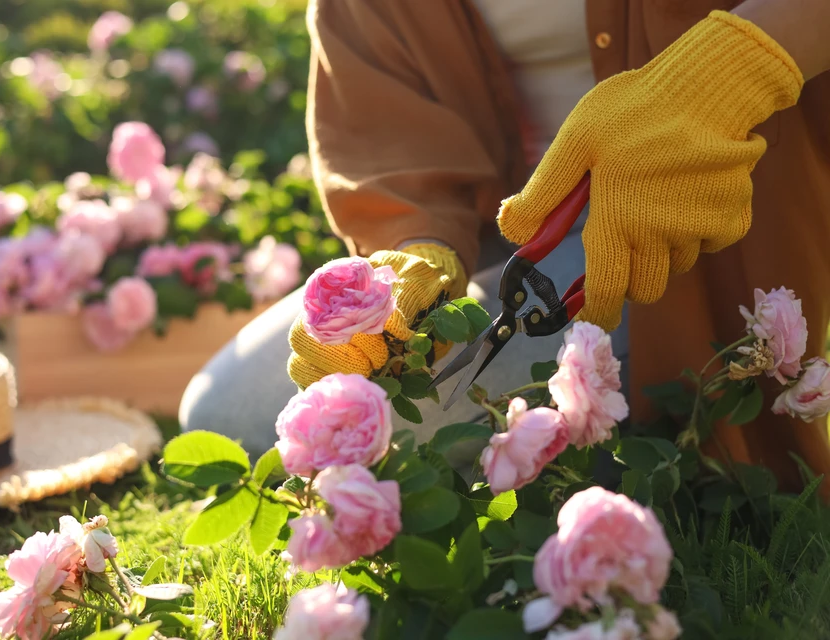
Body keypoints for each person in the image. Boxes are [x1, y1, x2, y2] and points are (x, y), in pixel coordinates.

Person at [180, 0, 830, 492]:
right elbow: (383, 114)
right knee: (224, 413)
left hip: (690, 216)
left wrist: (728, 71)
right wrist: (418, 252)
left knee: (389, 434)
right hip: (514, 224)